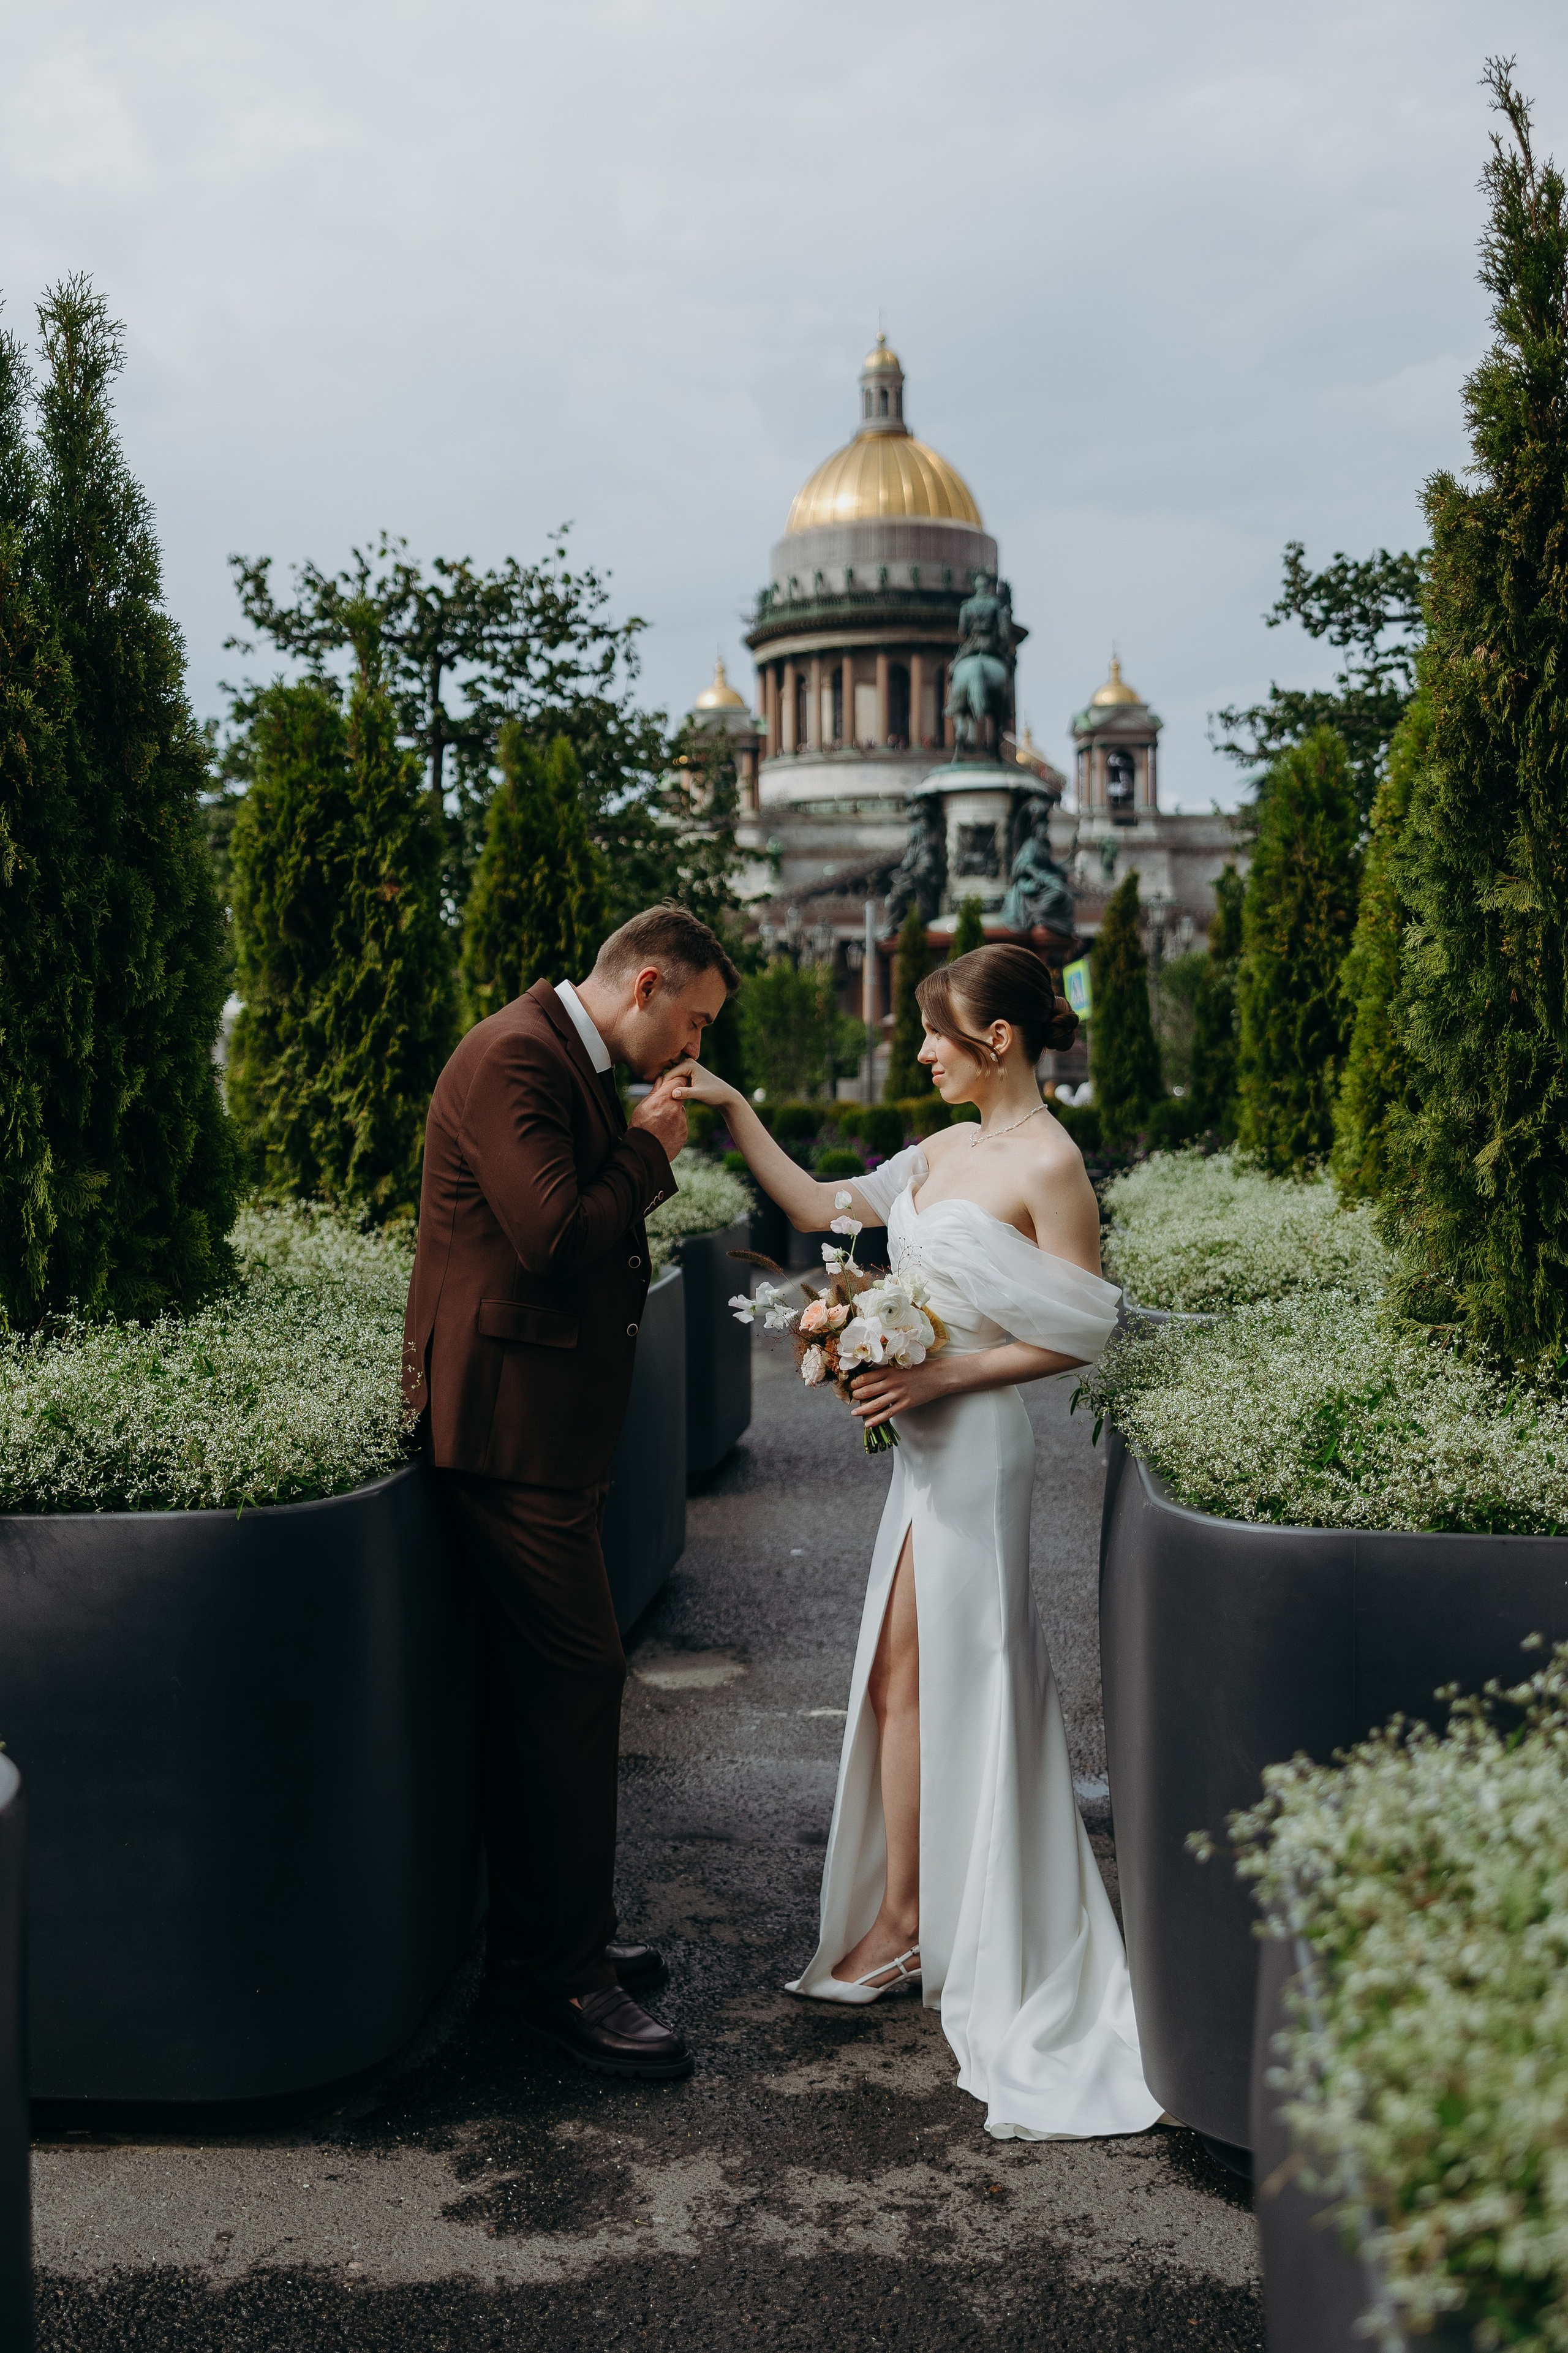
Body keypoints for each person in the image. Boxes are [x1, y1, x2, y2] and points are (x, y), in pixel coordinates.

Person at [672, 945, 1159, 2140]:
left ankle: (907, 1927)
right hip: (923, 1452)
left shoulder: (1051, 1162)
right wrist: (731, 1107)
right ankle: (911, 1916)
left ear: (998, 1039)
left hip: (978, 1446)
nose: (923, 1049)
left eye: (940, 1032)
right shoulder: (939, 1151)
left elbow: (1083, 1330)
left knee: (938, 1677)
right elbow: (814, 1209)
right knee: (898, 1680)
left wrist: (940, 1371)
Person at [403, 902, 739, 2082]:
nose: (693, 1047)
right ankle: (563, 1976)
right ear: (646, 983)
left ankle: (551, 1939)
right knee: (578, 1682)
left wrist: (636, 1142)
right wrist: (649, 1149)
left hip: (544, 1431)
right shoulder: (516, 1055)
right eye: (693, 1019)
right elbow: (552, 1232)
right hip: (506, 1435)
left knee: (550, 1694)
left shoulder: (568, 1056)